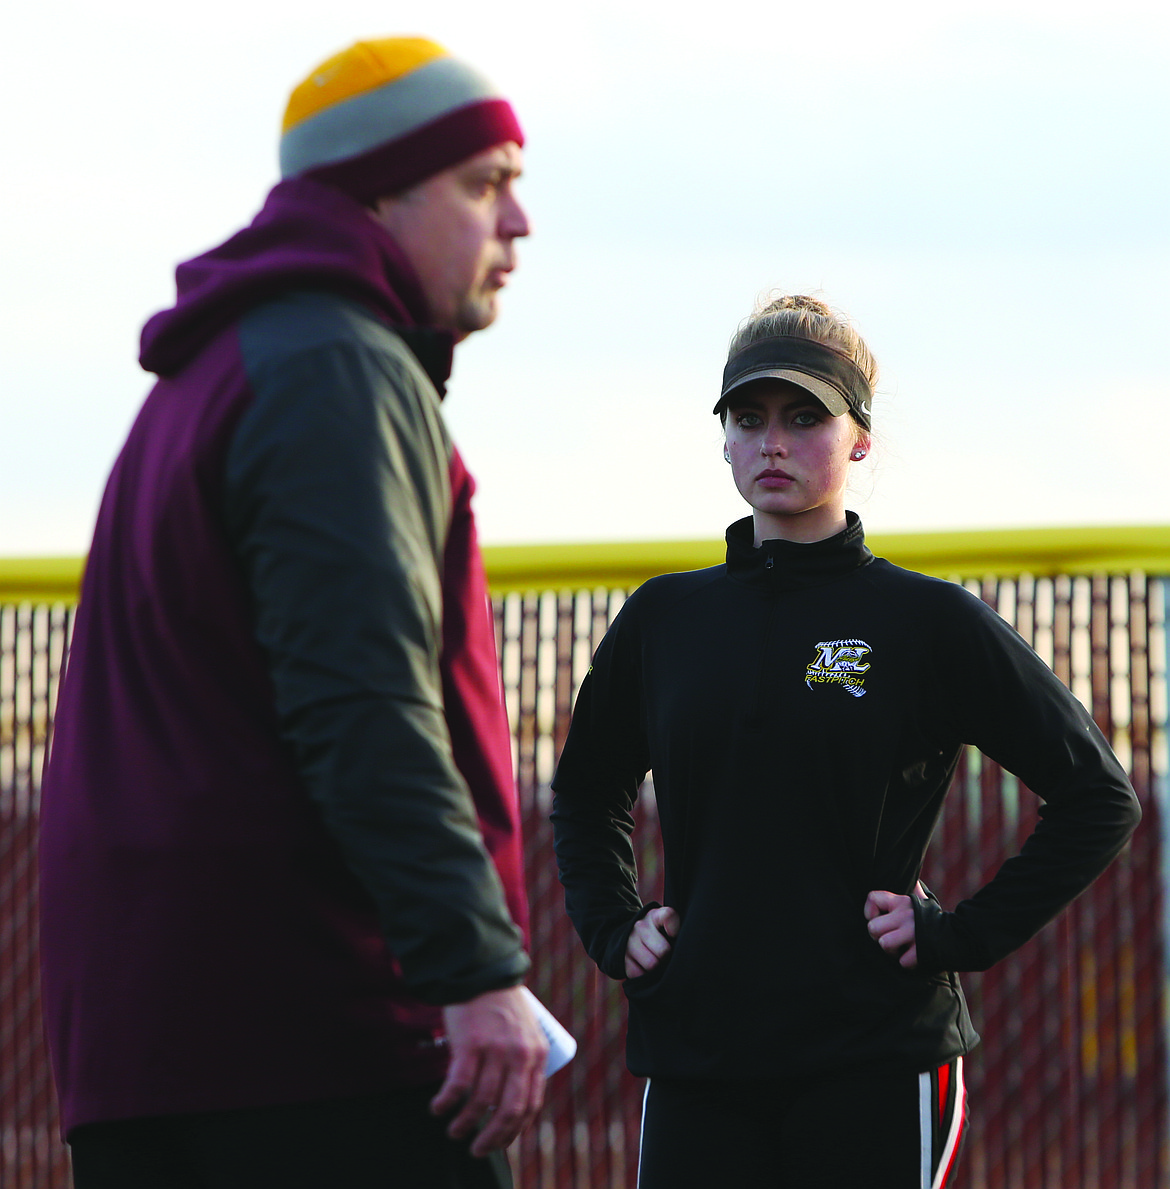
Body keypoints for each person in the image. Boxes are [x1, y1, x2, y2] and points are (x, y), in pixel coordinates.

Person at [39, 37, 548, 1189]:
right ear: (374, 191)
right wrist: (470, 969)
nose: (518, 223)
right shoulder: (333, 369)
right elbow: (362, 696)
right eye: (484, 183)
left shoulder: (213, 369)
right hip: (320, 1042)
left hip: (165, 1048)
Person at [550, 294, 1141, 1188]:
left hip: (873, 1050)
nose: (772, 442)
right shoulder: (664, 619)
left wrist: (962, 936)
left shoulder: (924, 620)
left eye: (804, 417)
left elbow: (1099, 796)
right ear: (723, 439)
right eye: (748, 419)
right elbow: (588, 794)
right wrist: (612, 924)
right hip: (699, 1052)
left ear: (860, 437)